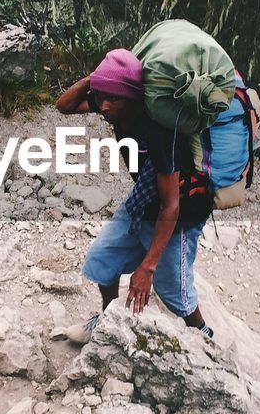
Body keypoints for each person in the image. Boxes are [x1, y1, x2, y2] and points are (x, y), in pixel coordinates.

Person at [55, 47, 215, 343]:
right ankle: (107, 320)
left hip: (181, 208)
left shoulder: (160, 129)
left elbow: (171, 206)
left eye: (112, 97)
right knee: (102, 260)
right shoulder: (114, 104)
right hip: (144, 199)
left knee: (173, 289)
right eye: (101, 97)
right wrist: (99, 78)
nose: (103, 106)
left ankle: (203, 334)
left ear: (131, 96)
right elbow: (64, 105)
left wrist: (148, 267)